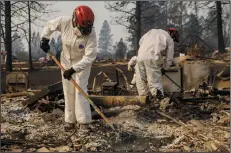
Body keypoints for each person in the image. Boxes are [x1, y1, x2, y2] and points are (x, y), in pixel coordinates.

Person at [40, 6, 97, 133]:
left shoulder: (91, 33)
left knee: (80, 90)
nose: (85, 31)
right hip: (65, 60)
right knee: (68, 90)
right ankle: (70, 121)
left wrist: (73, 69)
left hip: (81, 62)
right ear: (75, 21)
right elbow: (49, 25)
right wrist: (45, 38)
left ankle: (84, 122)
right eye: (83, 28)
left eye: (87, 28)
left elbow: (90, 57)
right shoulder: (64, 22)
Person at [135, 28, 179, 100]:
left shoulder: (150, 32)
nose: (173, 40)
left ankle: (144, 101)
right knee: (155, 82)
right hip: (153, 58)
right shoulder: (169, 38)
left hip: (140, 57)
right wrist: (165, 68)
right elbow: (169, 57)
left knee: (141, 80)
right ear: (173, 35)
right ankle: (158, 102)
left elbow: (140, 42)